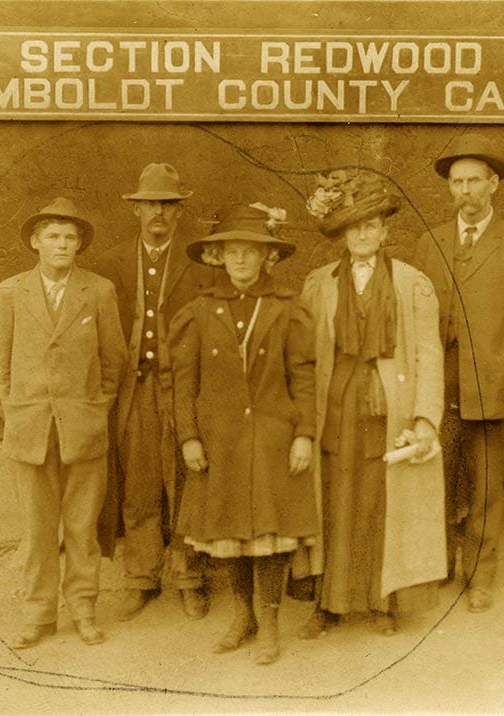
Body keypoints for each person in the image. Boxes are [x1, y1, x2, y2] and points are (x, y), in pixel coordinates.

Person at [295, 170, 447, 638]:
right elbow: (304, 355)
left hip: (388, 407)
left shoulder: (411, 282)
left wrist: (424, 419)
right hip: (335, 405)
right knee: (334, 503)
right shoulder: (319, 283)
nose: (363, 234)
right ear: (342, 233)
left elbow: (427, 350)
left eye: (372, 225)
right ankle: (329, 603)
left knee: (382, 503)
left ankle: (383, 603)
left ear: (385, 232)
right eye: (354, 226)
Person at [169, 204, 317, 665]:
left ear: (265, 258)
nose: (240, 261)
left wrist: (304, 434)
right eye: (231, 252)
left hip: (272, 438)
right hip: (220, 443)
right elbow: (183, 383)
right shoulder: (200, 311)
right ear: (218, 257)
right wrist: (189, 437)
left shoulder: (286, 309)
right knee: (227, 536)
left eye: (250, 253)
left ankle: (270, 623)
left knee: (269, 537)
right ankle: (243, 616)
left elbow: (304, 378)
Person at [414, 133, 504, 613]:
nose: (466, 191)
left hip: (493, 385)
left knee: (488, 486)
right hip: (440, 387)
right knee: (438, 479)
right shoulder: (430, 242)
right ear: (450, 188)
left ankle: (481, 574)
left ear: (494, 185)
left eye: (475, 181)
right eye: (457, 182)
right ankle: (440, 565)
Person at [0, 197, 128, 648]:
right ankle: (38, 614)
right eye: (53, 236)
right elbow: (2, 359)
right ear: (35, 242)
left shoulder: (99, 290)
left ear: (80, 245)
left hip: (83, 429)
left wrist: (94, 407)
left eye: (70, 237)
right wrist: (17, 408)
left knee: (82, 527)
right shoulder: (12, 290)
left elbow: (114, 360)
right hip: (30, 429)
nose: (62, 245)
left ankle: (84, 608)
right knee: (35, 529)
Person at [93, 162, 220, 621]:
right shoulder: (111, 264)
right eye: (151, 204)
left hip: (184, 387)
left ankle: (190, 576)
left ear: (180, 211)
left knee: (187, 481)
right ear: (136, 210)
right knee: (140, 480)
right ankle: (141, 576)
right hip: (136, 387)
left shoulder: (200, 265)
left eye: (168, 204)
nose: (159, 214)